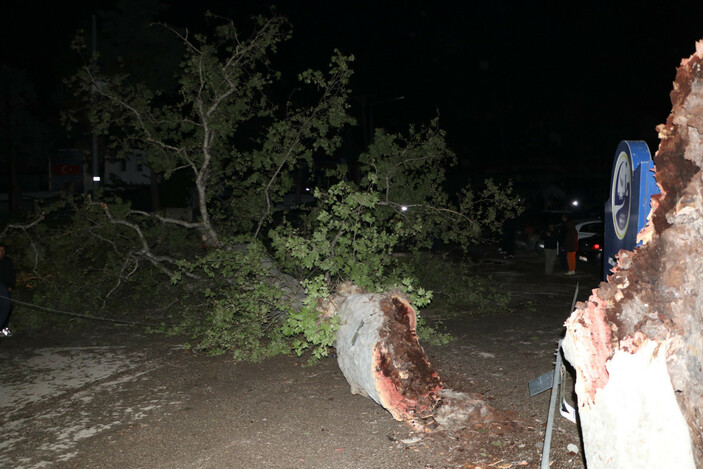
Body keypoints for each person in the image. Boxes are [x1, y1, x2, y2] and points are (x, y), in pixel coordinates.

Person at [0, 243, 16, 336]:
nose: (2, 253)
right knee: (4, 306)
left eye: (3, 251)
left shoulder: (7, 261)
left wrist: (11, 286)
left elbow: (12, 274)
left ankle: (4, 328)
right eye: (0, 251)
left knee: (7, 307)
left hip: (6, 288)